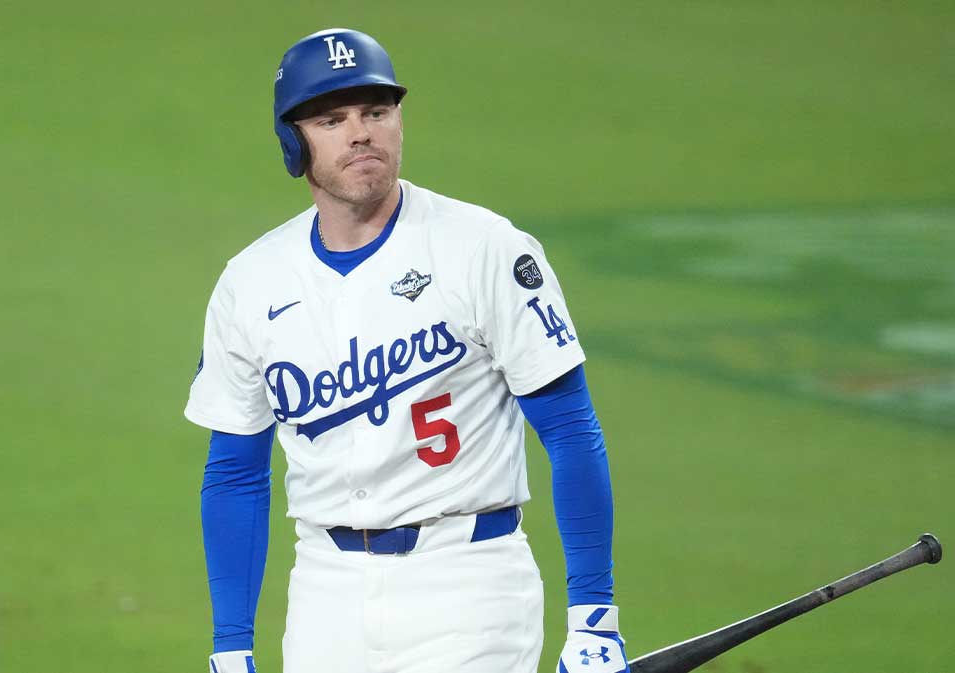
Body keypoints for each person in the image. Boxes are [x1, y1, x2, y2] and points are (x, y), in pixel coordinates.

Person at [185, 28, 628, 673]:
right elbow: (234, 471)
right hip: (324, 595)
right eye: (332, 119)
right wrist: (230, 646)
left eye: (376, 111)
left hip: (470, 585)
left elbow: (570, 429)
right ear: (293, 142)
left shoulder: (484, 248)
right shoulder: (251, 282)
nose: (360, 132)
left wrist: (594, 618)